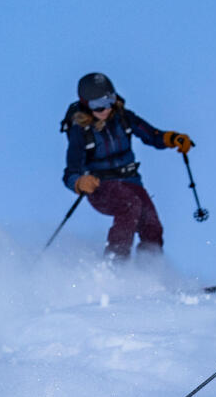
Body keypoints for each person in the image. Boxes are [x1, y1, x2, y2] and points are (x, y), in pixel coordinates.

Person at [61, 72, 194, 259]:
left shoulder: (123, 117)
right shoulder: (80, 131)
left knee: (152, 223)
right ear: (86, 105)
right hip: (102, 187)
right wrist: (79, 182)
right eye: (97, 105)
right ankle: (116, 265)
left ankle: (150, 272)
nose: (105, 109)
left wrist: (172, 138)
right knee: (129, 205)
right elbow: (70, 173)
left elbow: (152, 135)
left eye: (109, 100)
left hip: (131, 181)